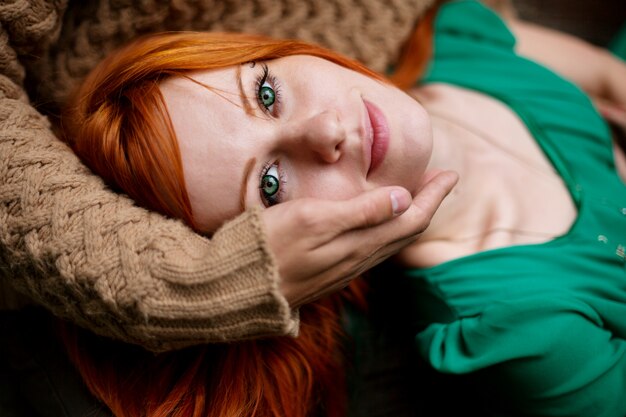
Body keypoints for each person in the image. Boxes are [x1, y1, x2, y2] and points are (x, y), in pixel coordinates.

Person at [58, 0, 626, 416]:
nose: (326, 130)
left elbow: (608, 73)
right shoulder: (522, 330)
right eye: (272, 184)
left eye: (266, 94)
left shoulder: (454, 39)